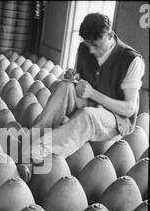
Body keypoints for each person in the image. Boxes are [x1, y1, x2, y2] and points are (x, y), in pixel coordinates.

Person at [17, 12, 145, 182]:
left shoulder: (131, 60)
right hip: (91, 102)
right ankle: (32, 138)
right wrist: (73, 77)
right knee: (63, 87)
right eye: (87, 44)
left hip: (116, 118)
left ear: (110, 35)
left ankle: (35, 155)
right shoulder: (85, 48)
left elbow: (129, 109)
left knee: (87, 116)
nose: (90, 50)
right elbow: (81, 79)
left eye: (95, 44)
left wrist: (93, 94)